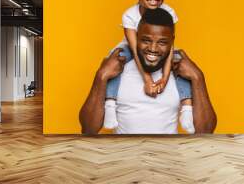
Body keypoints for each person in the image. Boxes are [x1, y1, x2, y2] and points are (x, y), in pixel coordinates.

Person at [80, 8, 217, 134]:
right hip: (124, 159)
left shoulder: (180, 70)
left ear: (172, 41)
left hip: (169, 160)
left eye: (162, 42)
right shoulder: (117, 66)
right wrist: (101, 76)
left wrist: (198, 77)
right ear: (136, 37)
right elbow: (88, 129)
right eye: (146, 40)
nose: (153, 48)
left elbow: (206, 132)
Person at [103, 0, 194, 133]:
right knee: (113, 57)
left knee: (181, 59)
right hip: (133, 46)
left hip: (159, 47)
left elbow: (168, 48)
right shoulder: (129, 15)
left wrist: (165, 79)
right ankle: (110, 103)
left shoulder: (169, 12)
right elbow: (137, 52)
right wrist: (148, 80)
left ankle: (187, 107)